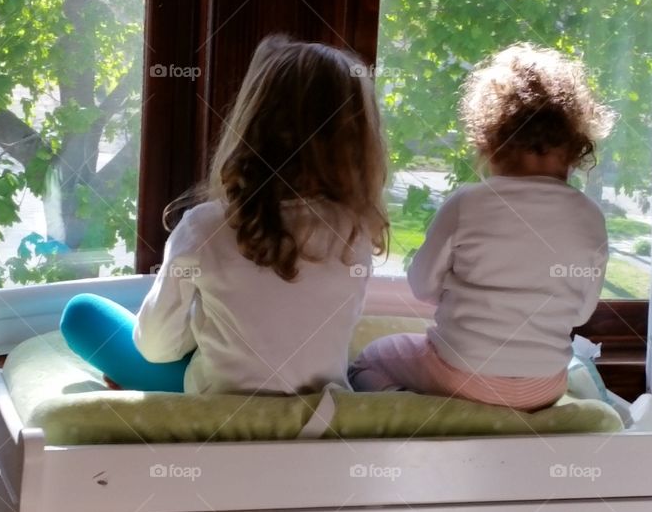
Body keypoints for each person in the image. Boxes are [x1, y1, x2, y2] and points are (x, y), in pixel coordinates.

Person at [60, 35, 388, 394]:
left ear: (251, 121)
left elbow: (156, 349)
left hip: (218, 410)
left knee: (81, 315)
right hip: (317, 414)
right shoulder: (355, 233)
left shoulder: (205, 226)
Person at [350, 42, 614, 411]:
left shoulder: (467, 203)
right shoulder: (591, 216)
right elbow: (580, 314)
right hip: (545, 386)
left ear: (488, 142)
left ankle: (411, 408)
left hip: (460, 375)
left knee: (369, 358)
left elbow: (422, 286)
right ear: (576, 148)